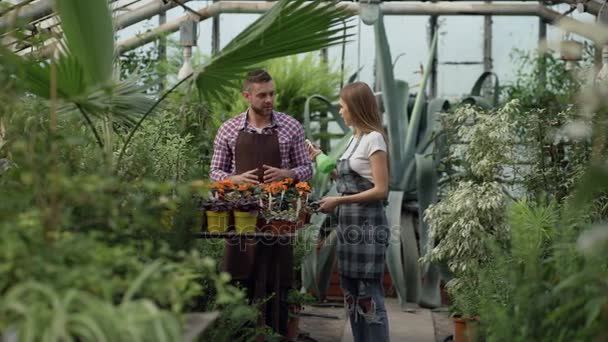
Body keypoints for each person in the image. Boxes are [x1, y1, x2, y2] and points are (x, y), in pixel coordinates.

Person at [209, 69, 312, 337]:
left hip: (279, 221)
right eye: (262, 95)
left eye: (272, 94)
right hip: (241, 222)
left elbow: (307, 168)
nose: (269, 100)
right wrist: (235, 178)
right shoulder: (229, 129)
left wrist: (289, 174)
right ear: (247, 96)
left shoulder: (291, 127)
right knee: (238, 285)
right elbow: (214, 174)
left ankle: (275, 334)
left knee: (276, 287)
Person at [315, 82, 391, 342]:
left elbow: (381, 190)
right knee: (350, 293)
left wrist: (337, 201)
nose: (340, 110)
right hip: (349, 226)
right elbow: (348, 180)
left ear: (356, 108)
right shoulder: (354, 139)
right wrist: (321, 158)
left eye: (343, 106)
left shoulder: (374, 139)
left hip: (368, 227)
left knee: (369, 295)